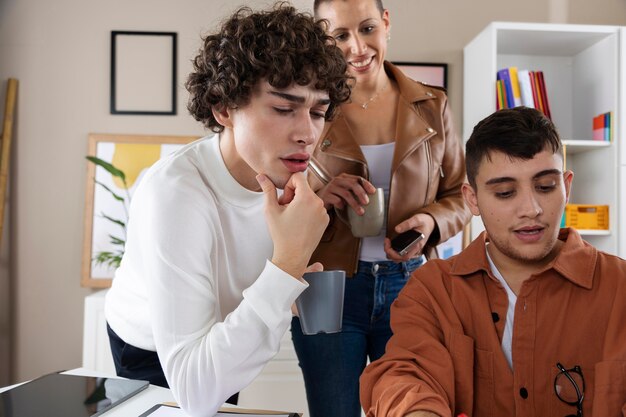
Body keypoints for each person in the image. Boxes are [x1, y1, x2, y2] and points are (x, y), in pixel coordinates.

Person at [104, 4, 351, 417]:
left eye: (318, 112)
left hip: (223, 330)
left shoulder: (291, 174)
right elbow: (196, 391)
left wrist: (288, 287)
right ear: (224, 108)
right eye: (283, 108)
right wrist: (287, 266)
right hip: (147, 348)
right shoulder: (177, 194)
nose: (308, 132)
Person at [360, 106, 626, 417]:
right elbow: (404, 374)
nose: (531, 209)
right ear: (472, 199)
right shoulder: (433, 289)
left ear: (567, 186)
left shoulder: (619, 287)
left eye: (545, 187)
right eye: (505, 192)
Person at [289, 1, 471, 416]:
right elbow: (278, 193)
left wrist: (430, 221)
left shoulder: (433, 104)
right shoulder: (308, 107)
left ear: (386, 23)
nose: (357, 48)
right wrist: (321, 193)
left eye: (367, 28)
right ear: (323, 39)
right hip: (326, 285)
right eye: (339, 36)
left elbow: (463, 194)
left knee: (413, 406)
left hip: (409, 285)